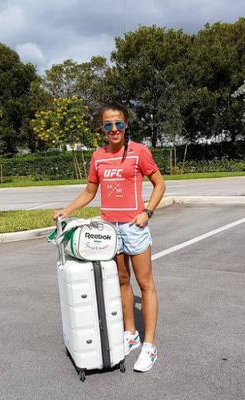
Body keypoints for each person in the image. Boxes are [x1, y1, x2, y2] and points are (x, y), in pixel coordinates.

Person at [53, 104, 166, 372]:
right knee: (122, 281)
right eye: (108, 125)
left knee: (145, 283)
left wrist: (147, 212)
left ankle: (149, 346)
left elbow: (159, 184)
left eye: (118, 124)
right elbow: (89, 192)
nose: (113, 129)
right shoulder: (97, 157)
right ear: (102, 128)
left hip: (134, 227)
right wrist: (66, 211)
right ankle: (131, 334)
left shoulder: (139, 152)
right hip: (109, 230)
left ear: (126, 126)